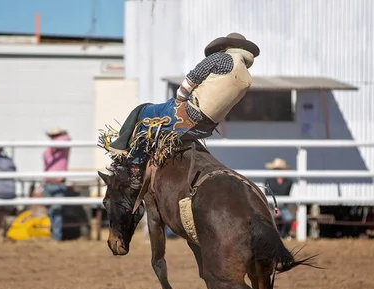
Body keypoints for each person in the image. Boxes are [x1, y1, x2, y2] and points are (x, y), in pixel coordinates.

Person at [99, 32, 260, 186]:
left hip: (187, 114)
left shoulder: (220, 58)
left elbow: (192, 78)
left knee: (143, 113)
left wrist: (180, 98)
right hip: (205, 128)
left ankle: (133, 168)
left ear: (227, 46)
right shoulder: (246, 77)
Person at [43, 127, 71, 241]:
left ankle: (56, 236)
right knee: (51, 211)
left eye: (56, 136)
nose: (54, 138)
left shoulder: (64, 143)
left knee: (56, 210)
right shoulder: (52, 148)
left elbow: (66, 139)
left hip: (58, 183)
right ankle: (53, 234)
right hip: (48, 182)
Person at [264, 157, 295, 239]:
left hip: (283, 207)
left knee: (289, 218)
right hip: (271, 207)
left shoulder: (289, 182)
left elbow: (286, 195)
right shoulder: (268, 181)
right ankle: (273, 235)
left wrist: (279, 209)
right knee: (268, 219)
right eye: (277, 169)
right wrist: (275, 208)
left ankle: (283, 234)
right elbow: (267, 195)